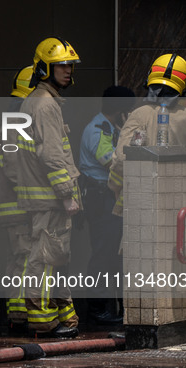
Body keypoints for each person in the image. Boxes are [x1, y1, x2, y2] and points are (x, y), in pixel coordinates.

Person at [16, 37, 81, 338]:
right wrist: (67, 194)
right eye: (61, 66)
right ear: (45, 68)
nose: (67, 70)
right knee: (44, 260)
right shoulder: (44, 105)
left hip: (45, 200)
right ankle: (44, 321)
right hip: (50, 201)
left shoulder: (42, 101)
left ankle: (62, 319)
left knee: (51, 259)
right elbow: (52, 156)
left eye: (69, 65)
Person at [109, 54, 186, 214]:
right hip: (181, 204)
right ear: (184, 84)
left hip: (144, 202)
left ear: (151, 77)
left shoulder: (140, 114)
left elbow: (121, 158)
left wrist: (114, 186)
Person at [79, 86, 136, 325]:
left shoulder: (111, 128)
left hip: (108, 198)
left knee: (114, 253)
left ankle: (110, 307)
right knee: (103, 253)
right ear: (121, 110)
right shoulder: (98, 130)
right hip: (100, 198)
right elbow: (111, 162)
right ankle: (98, 309)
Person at [0, 65, 34, 332]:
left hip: (19, 208)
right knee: (23, 261)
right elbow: (14, 169)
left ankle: (18, 314)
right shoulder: (16, 126)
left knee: (18, 261)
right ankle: (21, 317)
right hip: (22, 208)